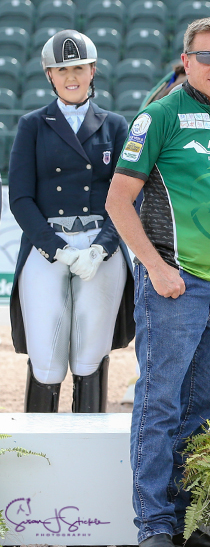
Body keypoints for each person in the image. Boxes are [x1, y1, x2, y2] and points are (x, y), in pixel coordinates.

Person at [106, 17, 210, 547]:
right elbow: (117, 201)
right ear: (185, 60)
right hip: (175, 285)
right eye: (207, 56)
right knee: (160, 401)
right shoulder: (160, 116)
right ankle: (153, 524)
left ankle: (189, 519)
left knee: (204, 411)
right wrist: (154, 268)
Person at [8, 29, 134, 413]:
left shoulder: (114, 125)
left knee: (90, 352)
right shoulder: (33, 124)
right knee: (46, 352)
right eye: (61, 70)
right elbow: (21, 198)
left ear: (93, 70)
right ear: (49, 75)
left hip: (100, 246)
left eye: (79, 67)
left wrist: (103, 248)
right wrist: (57, 249)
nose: (71, 76)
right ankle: (37, 447)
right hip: (49, 246)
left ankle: (88, 441)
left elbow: (128, 194)